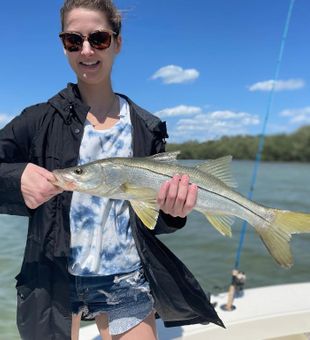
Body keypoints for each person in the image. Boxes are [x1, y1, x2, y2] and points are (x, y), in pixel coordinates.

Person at [0, 0, 223, 339]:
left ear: (117, 42)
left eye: (98, 38)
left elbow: (152, 220)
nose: (86, 50)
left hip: (125, 279)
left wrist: (175, 213)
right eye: (73, 40)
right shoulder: (38, 119)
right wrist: (16, 180)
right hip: (51, 277)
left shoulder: (147, 127)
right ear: (63, 46)